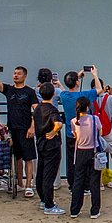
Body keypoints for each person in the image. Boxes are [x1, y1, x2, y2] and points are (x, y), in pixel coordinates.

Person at [0, 65, 38, 197]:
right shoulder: (9, 89)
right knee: (17, 158)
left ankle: (29, 185)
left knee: (28, 158)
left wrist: (33, 127)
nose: (16, 75)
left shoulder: (29, 92)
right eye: (14, 73)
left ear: (25, 76)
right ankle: (19, 184)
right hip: (12, 128)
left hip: (26, 129)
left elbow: (36, 109)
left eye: (19, 73)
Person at [58, 66, 102, 189]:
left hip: (70, 133)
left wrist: (76, 77)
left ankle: (73, 185)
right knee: (87, 161)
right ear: (77, 82)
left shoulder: (64, 96)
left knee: (72, 161)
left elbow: (65, 90)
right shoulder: (84, 95)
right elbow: (99, 89)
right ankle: (86, 186)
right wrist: (94, 74)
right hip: (86, 135)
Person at [33, 83, 65, 215]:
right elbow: (58, 124)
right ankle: (49, 205)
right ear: (53, 94)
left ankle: (43, 200)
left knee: (41, 172)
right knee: (49, 175)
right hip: (51, 145)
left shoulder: (38, 108)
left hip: (40, 143)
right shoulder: (52, 109)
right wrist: (53, 132)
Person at [69, 96, 102, 219]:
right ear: (88, 108)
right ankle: (94, 211)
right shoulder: (95, 119)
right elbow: (101, 132)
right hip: (93, 151)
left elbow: (74, 134)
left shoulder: (73, 121)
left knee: (78, 181)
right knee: (94, 182)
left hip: (80, 152)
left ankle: (74, 210)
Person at [92, 79, 112, 190]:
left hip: (97, 132)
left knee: (99, 156)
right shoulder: (109, 98)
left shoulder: (91, 99)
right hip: (111, 130)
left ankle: (100, 184)